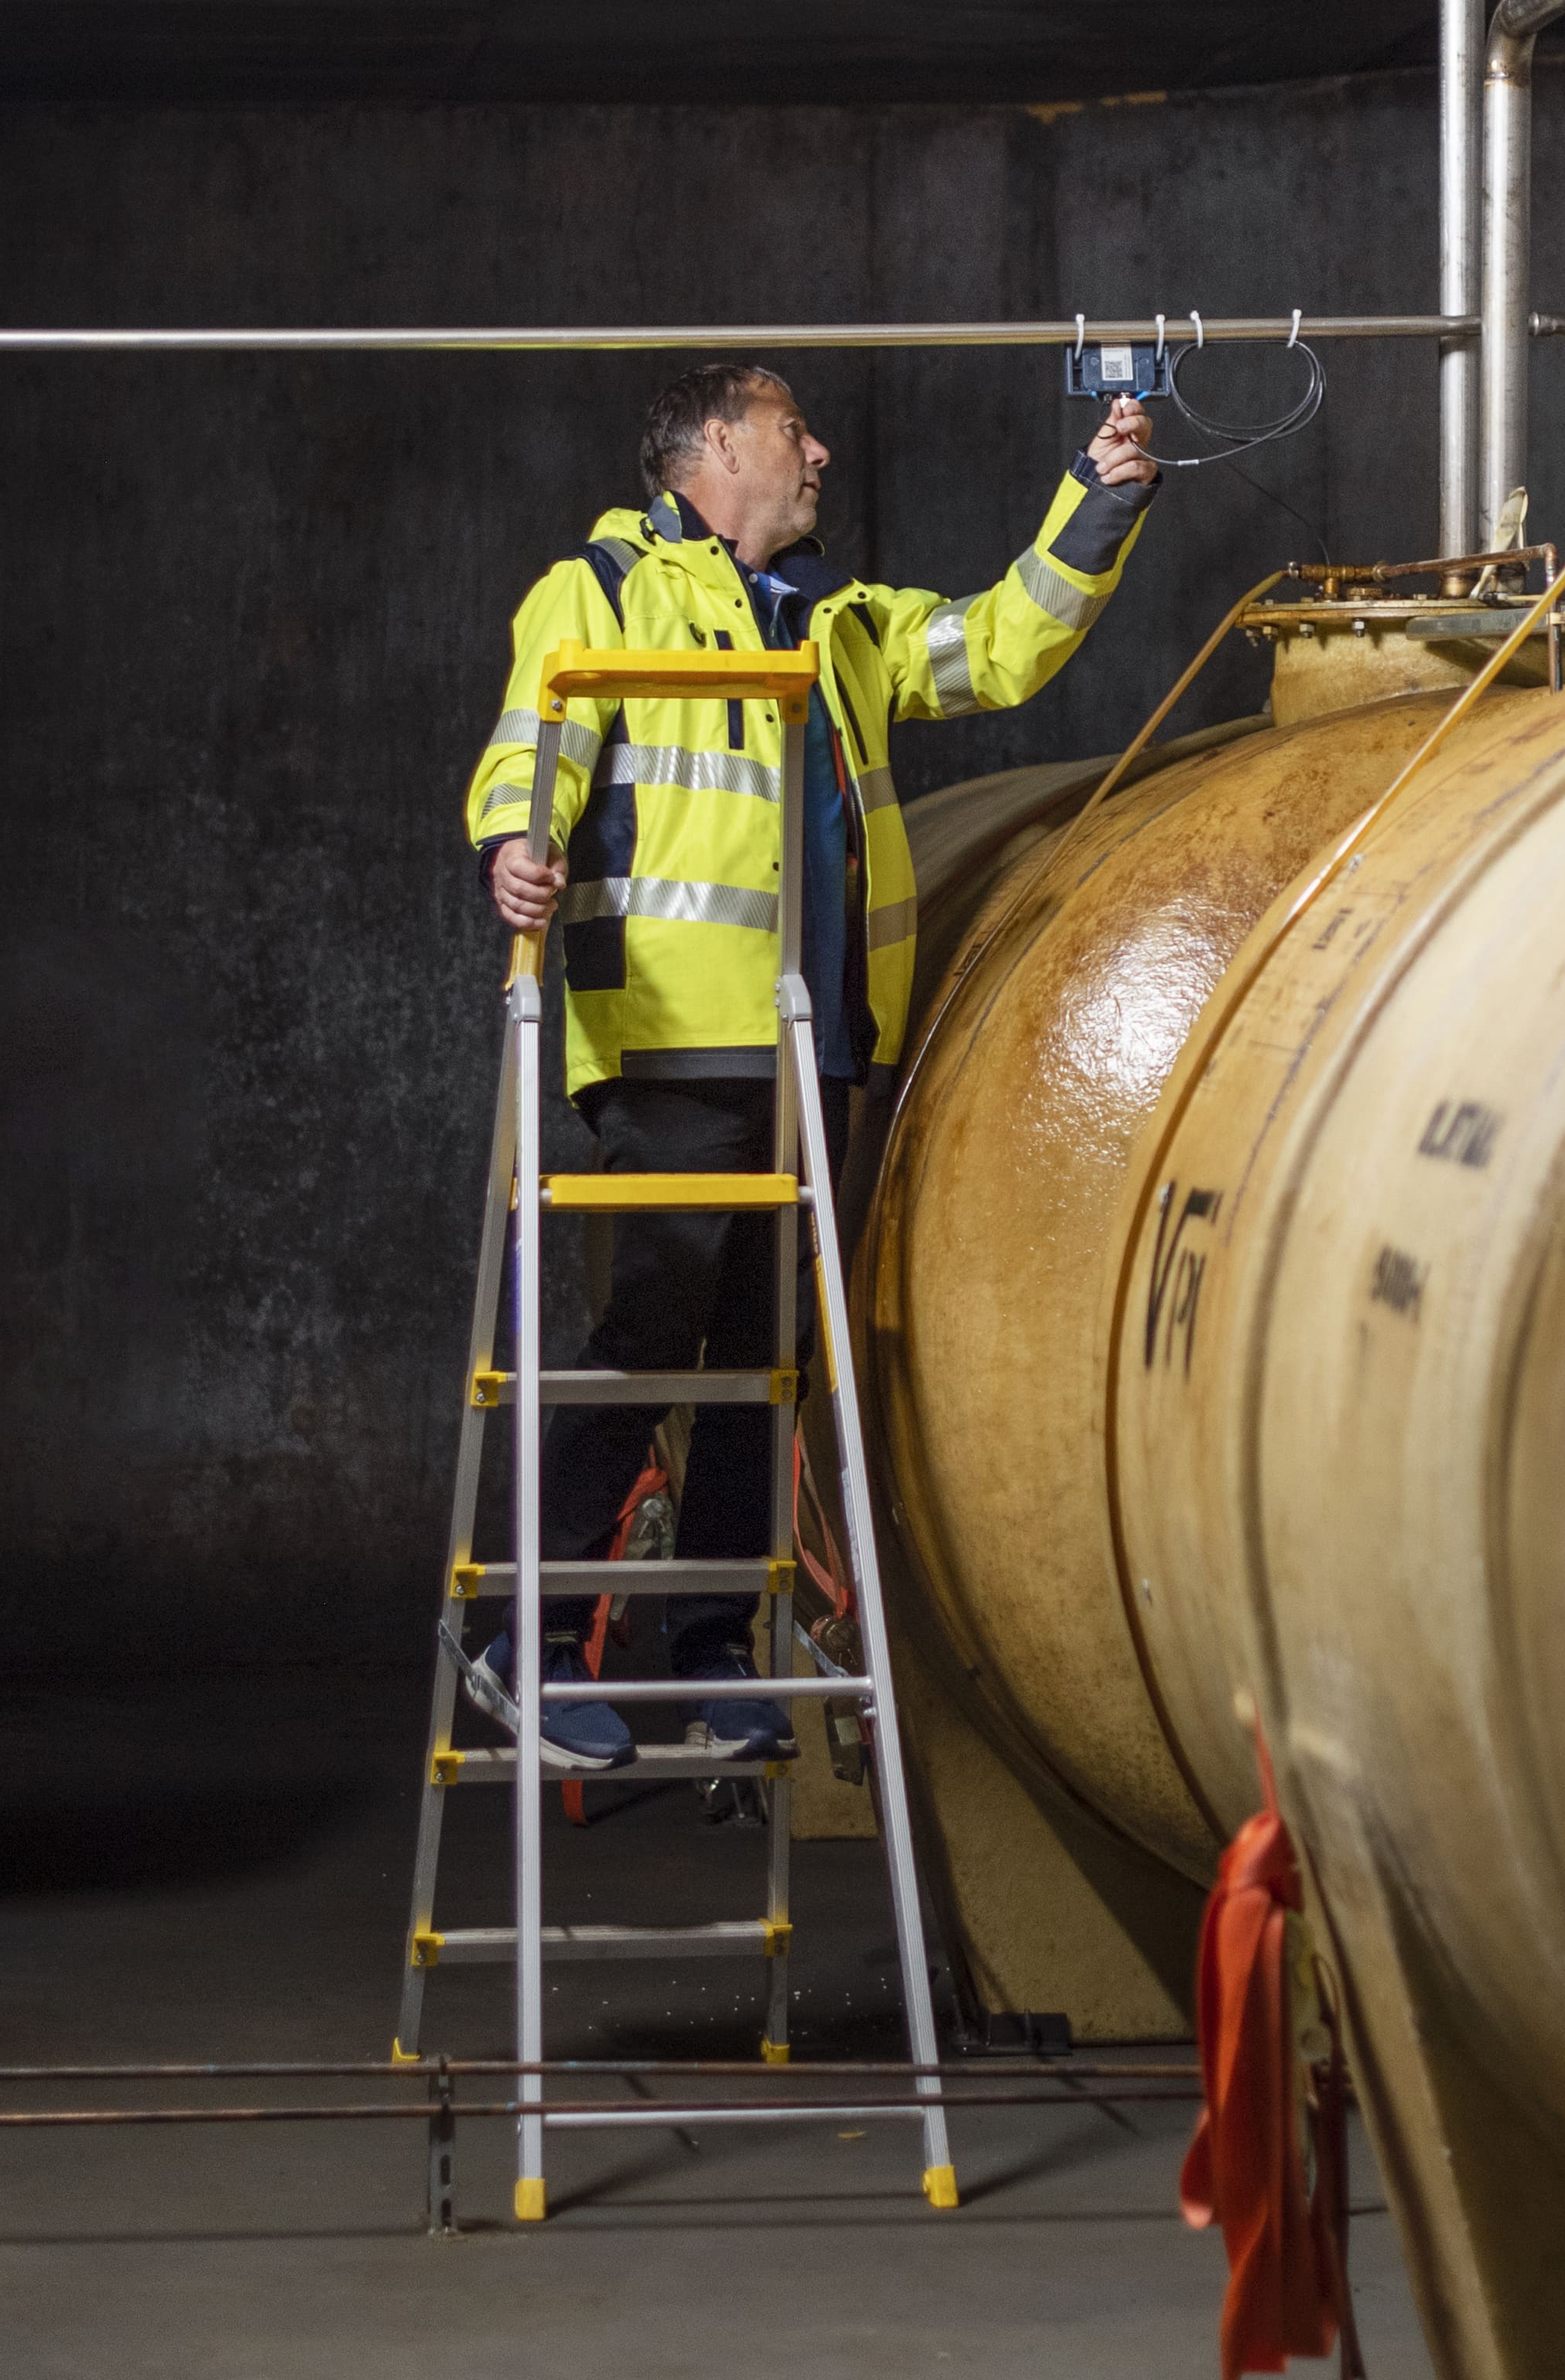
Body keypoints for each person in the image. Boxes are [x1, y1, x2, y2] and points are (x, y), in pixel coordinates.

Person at [458, 362, 1160, 1767]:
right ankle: (515, 1634)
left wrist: (1101, 497)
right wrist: (516, 843)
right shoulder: (604, 588)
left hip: (816, 1039)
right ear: (717, 444)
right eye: (793, 428)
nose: (820, 450)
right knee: (656, 1326)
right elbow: (535, 745)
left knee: (760, 1361)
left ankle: (716, 1647)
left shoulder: (836, 622)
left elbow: (1000, 647)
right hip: (670, 1034)